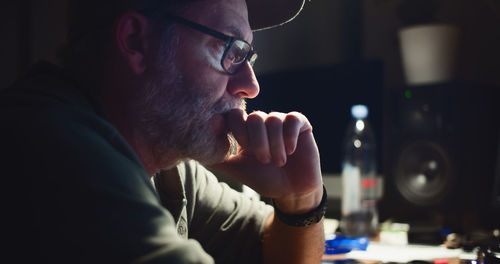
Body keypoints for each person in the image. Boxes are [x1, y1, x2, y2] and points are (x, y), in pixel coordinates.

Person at [1, 0, 326, 263]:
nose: (250, 86)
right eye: (229, 49)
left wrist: (300, 200)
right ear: (136, 41)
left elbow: (270, 250)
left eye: (246, 55)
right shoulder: (54, 150)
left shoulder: (164, 163)